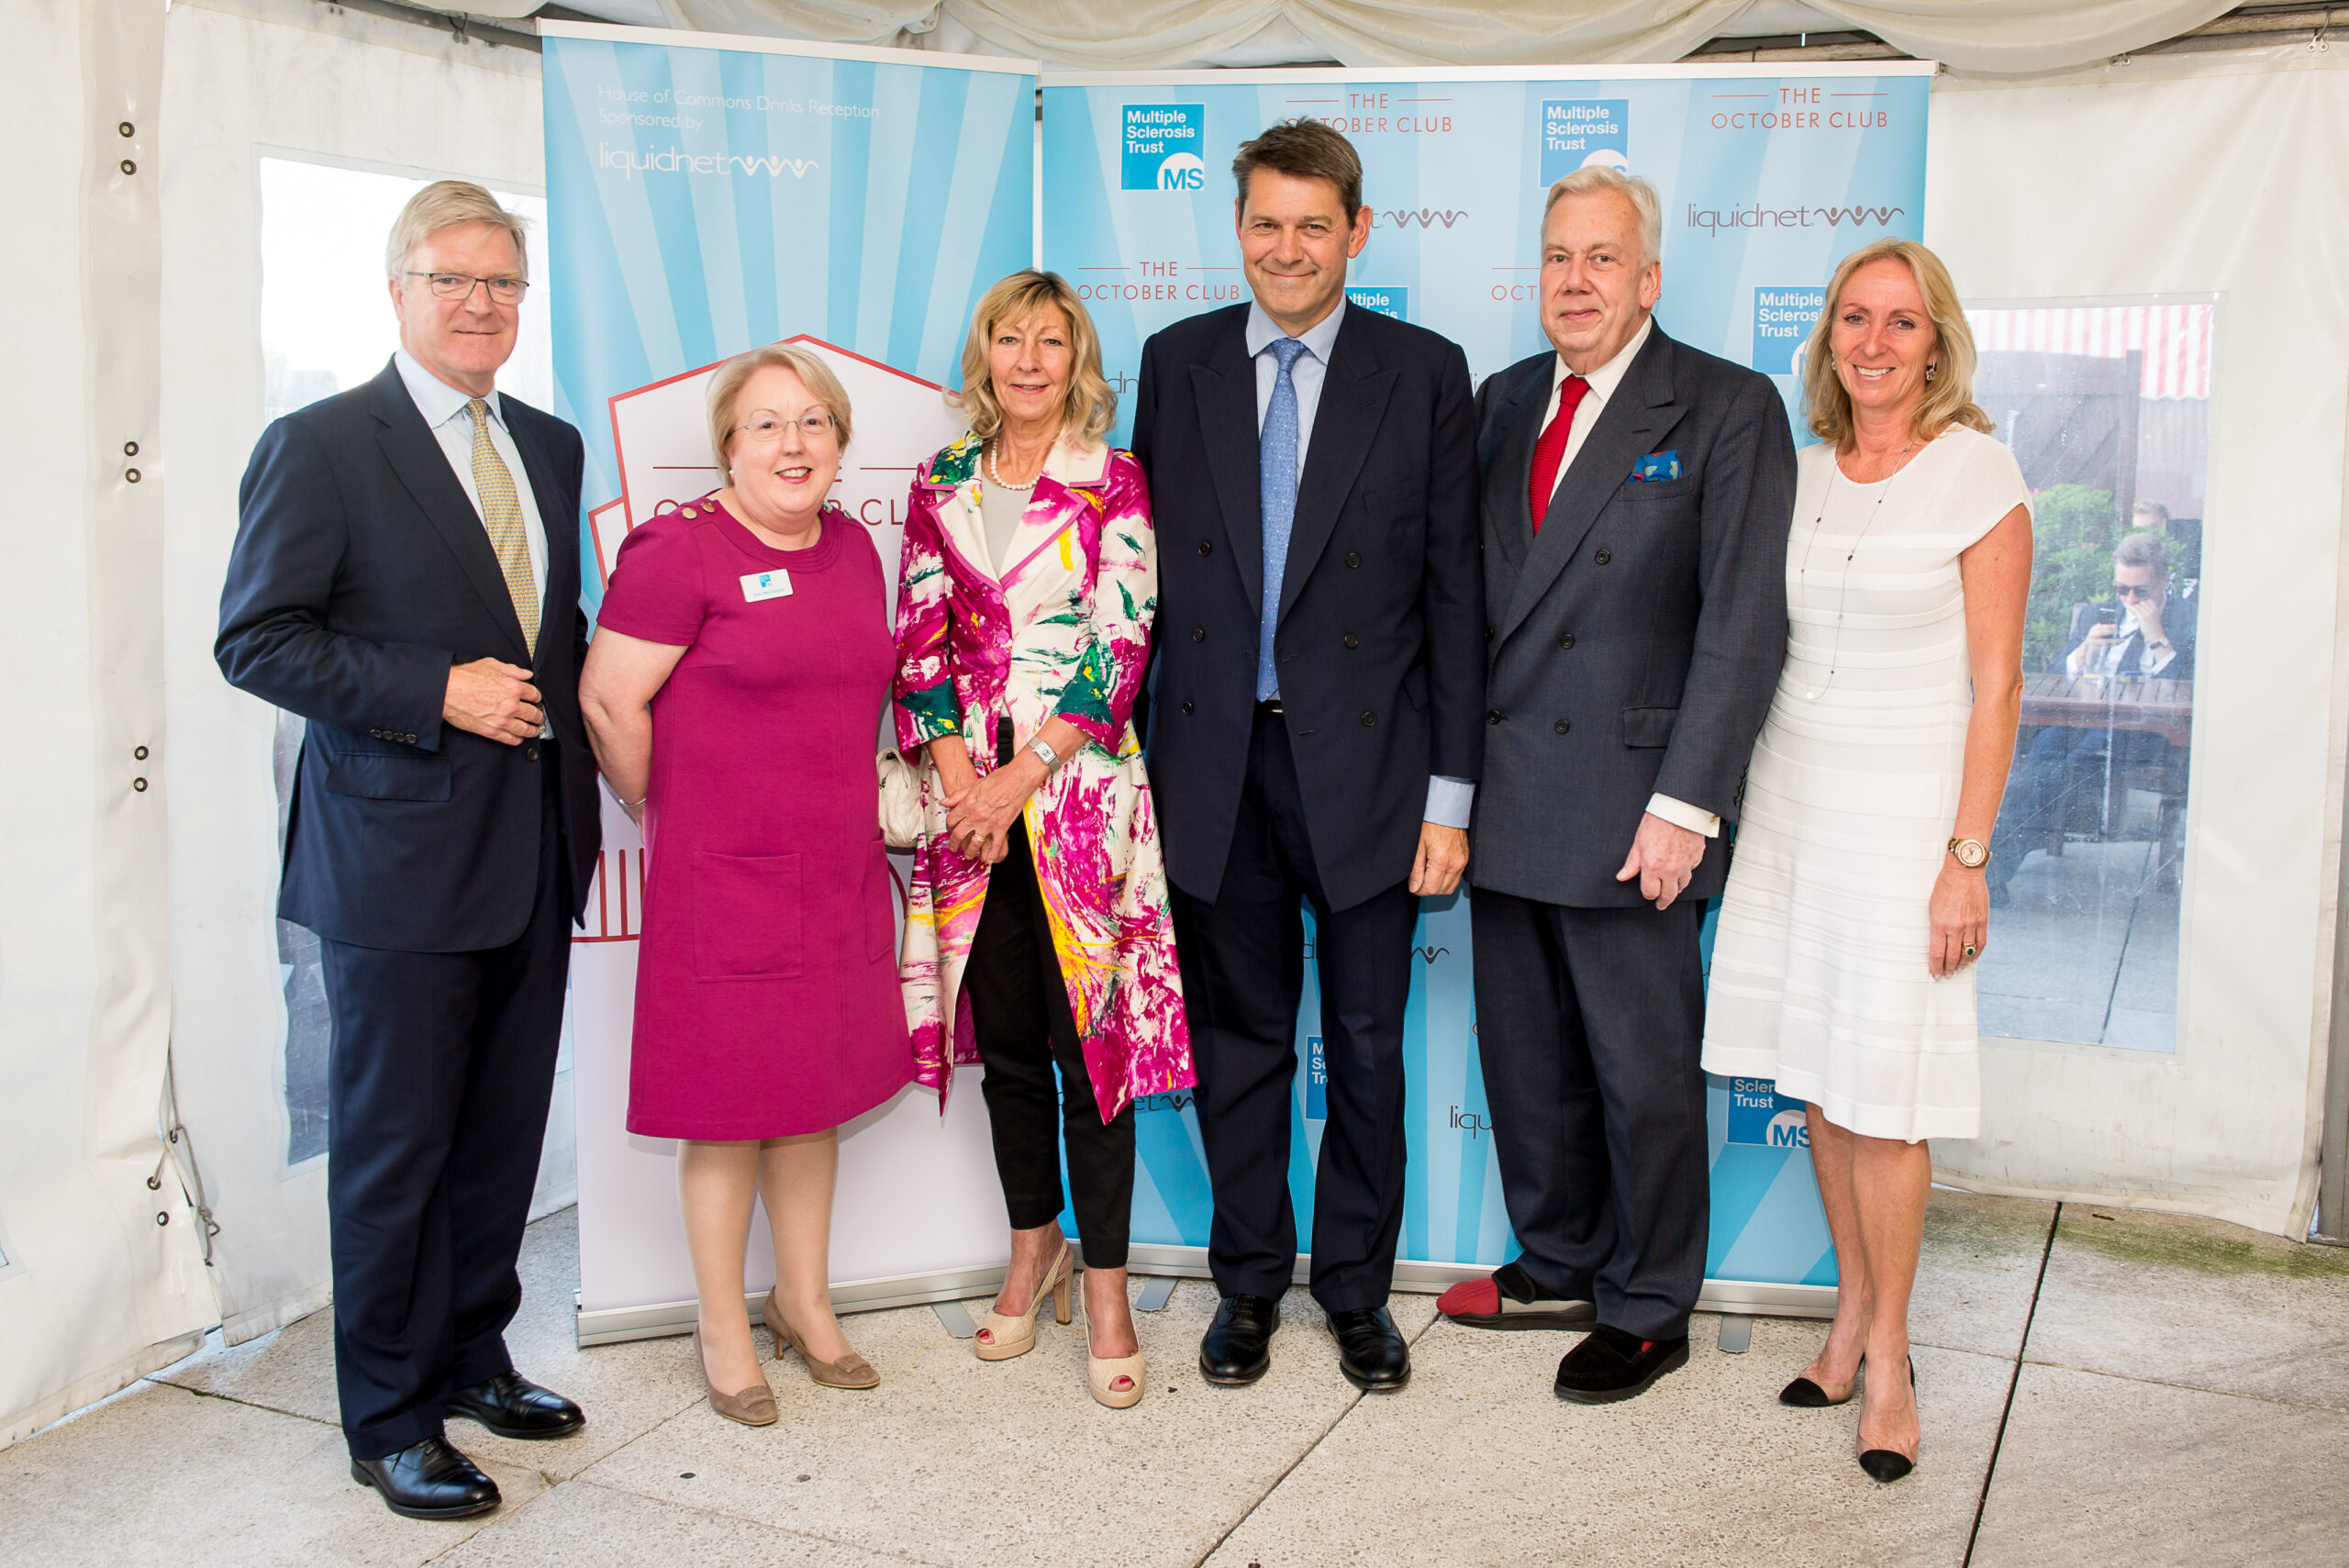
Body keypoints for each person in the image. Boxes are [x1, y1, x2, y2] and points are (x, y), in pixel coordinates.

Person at [216, 182, 599, 1519]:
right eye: (454, 280)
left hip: (535, 847)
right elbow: (256, 638)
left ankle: (472, 1356)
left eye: (503, 283)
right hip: (394, 864)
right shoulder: (321, 444)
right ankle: (386, 1417)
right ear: (398, 291)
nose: (482, 304)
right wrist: (433, 688)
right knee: (397, 1150)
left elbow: (556, 635)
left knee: (499, 1135)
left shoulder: (548, 444)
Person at [1132, 119, 1482, 1395]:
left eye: (1313, 226)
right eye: (1267, 224)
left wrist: (1452, 797)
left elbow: (1454, 599)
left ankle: (1355, 1291)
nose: (1288, 249)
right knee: (1240, 1045)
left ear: (1357, 233)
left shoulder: (1422, 371)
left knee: (1370, 1049)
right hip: (1213, 767)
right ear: (1238, 229)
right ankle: (1245, 1283)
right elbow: (1141, 582)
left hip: (1373, 774)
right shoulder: (1175, 363)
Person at [1438, 165, 1792, 1407]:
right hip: (1505, 795)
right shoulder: (1498, 402)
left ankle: (1648, 1303)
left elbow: (1742, 625)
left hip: (1638, 806)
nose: (1575, 280)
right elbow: (1461, 605)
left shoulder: (1726, 405)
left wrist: (1687, 804)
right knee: (1526, 1060)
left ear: (1648, 278)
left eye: (1601, 257)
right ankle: (1559, 1260)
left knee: (1642, 1077)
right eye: (1557, 256)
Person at [1702, 239, 2033, 1482]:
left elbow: (1999, 688)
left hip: (1906, 826)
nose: (1875, 342)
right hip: (1795, 809)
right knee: (1826, 1086)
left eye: (1901, 322)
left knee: (1886, 1100)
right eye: (1854, 318)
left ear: (1937, 344)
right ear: (1828, 337)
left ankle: (1890, 1357)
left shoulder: (1978, 472)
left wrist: (1966, 857)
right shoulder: (1796, 474)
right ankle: (1848, 1316)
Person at [578, 346, 912, 1425]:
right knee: (724, 1109)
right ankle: (721, 1324)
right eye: (766, 424)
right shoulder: (678, 550)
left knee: (811, 1094)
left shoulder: (854, 548)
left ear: (841, 443)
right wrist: (658, 804)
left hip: (837, 871)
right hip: (722, 877)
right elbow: (607, 700)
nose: (792, 444)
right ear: (728, 445)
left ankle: (802, 1300)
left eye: (813, 422)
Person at [893, 271, 1193, 1410]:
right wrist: (959, 781)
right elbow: (918, 639)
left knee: (1091, 1053)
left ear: (1077, 360)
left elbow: (1121, 646)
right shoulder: (942, 479)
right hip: (967, 810)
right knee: (1010, 1047)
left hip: (1076, 806)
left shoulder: (1114, 479)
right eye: (1008, 339)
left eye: (1049, 341)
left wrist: (1016, 779)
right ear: (984, 355)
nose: (1028, 360)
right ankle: (1034, 1247)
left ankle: (1108, 1287)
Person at [1987, 529, 2192, 898]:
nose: (2130, 600)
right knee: (2038, 763)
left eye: (2141, 592)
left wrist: (2156, 636)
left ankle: (1992, 872)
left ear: (2164, 580)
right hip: (2082, 717)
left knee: (2062, 773)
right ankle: (1992, 867)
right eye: (2122, 590)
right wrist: (2081, 652)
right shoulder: (2100, 615)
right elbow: (2053, 675)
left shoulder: (2185, 619)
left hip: (2138, 729)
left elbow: (2188, 691)